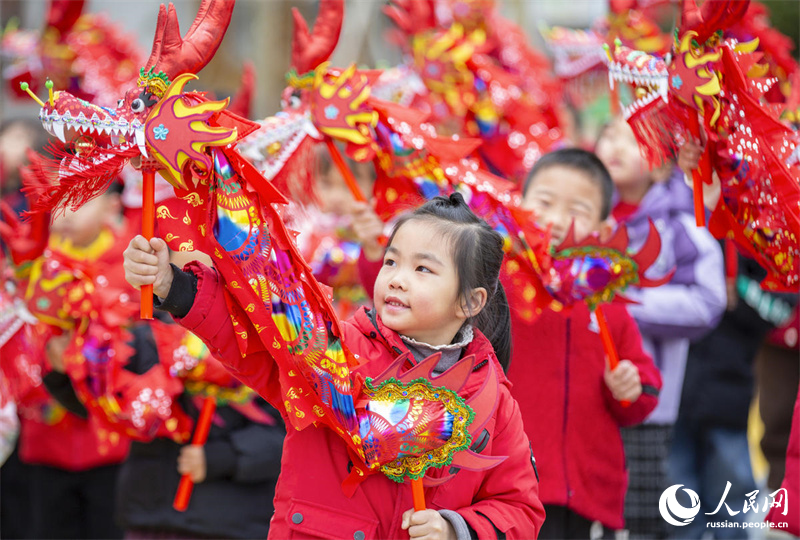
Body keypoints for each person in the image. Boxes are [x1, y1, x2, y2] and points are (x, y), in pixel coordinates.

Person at [123, 193, 545, 539]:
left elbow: (520, 509)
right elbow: (250, 340)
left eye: (422, 269)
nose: (396, 278)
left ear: (470, 302)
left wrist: (456, 530)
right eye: (391, 262)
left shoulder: (492, 399)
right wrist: (173, 287)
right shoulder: (336, 350)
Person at [511, 147, 663, 539]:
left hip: (584, 491)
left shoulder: (607, 302)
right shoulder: (496, 282)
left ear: (604, 226)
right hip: (505, 486)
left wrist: (630, 386)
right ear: (520, 203)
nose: (558, 220)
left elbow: (640, 392)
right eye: (544, 202)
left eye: (577, 210)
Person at [595, 118, 727, 540]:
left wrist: (628, 307)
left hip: (648, 396)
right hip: (586, 391)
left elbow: (708, 300)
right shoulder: (590, 219)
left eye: (633, 140)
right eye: (609, 135)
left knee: (641, 516)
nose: (615, 145)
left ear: (661, 165)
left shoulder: (679, 225)